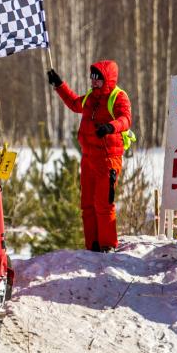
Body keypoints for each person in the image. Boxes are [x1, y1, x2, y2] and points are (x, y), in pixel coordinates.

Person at [47, 60, 132, 252]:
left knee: (103, 203)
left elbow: (126, 119)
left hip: (108, 159)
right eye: (92, 78)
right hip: (88, 158)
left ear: (107, 79)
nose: (93, 82)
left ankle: (107, 245)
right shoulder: (90, 98)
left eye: (97, 79)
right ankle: (92, 245)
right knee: (87, 204)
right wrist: (59, 85)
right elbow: (74, 103)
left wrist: (110, 127)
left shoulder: (118, 97)